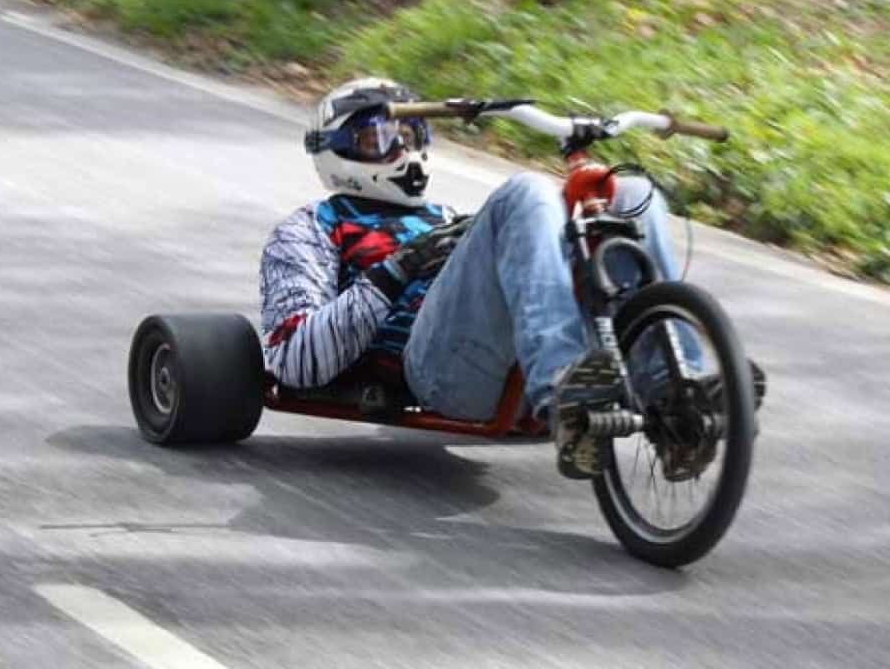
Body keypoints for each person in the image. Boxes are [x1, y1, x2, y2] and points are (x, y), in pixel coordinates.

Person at [259, 77, 692, 479]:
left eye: (412, 137)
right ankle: (565, 390)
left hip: (516, 365)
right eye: (381, 139)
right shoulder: (312, 227)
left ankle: (676, 397)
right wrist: (396, 270)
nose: (403, 152)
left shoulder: (446, 217)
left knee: (632, 192)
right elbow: (295, 361)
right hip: (438, 373)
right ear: (335, 150)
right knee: (528, 191)